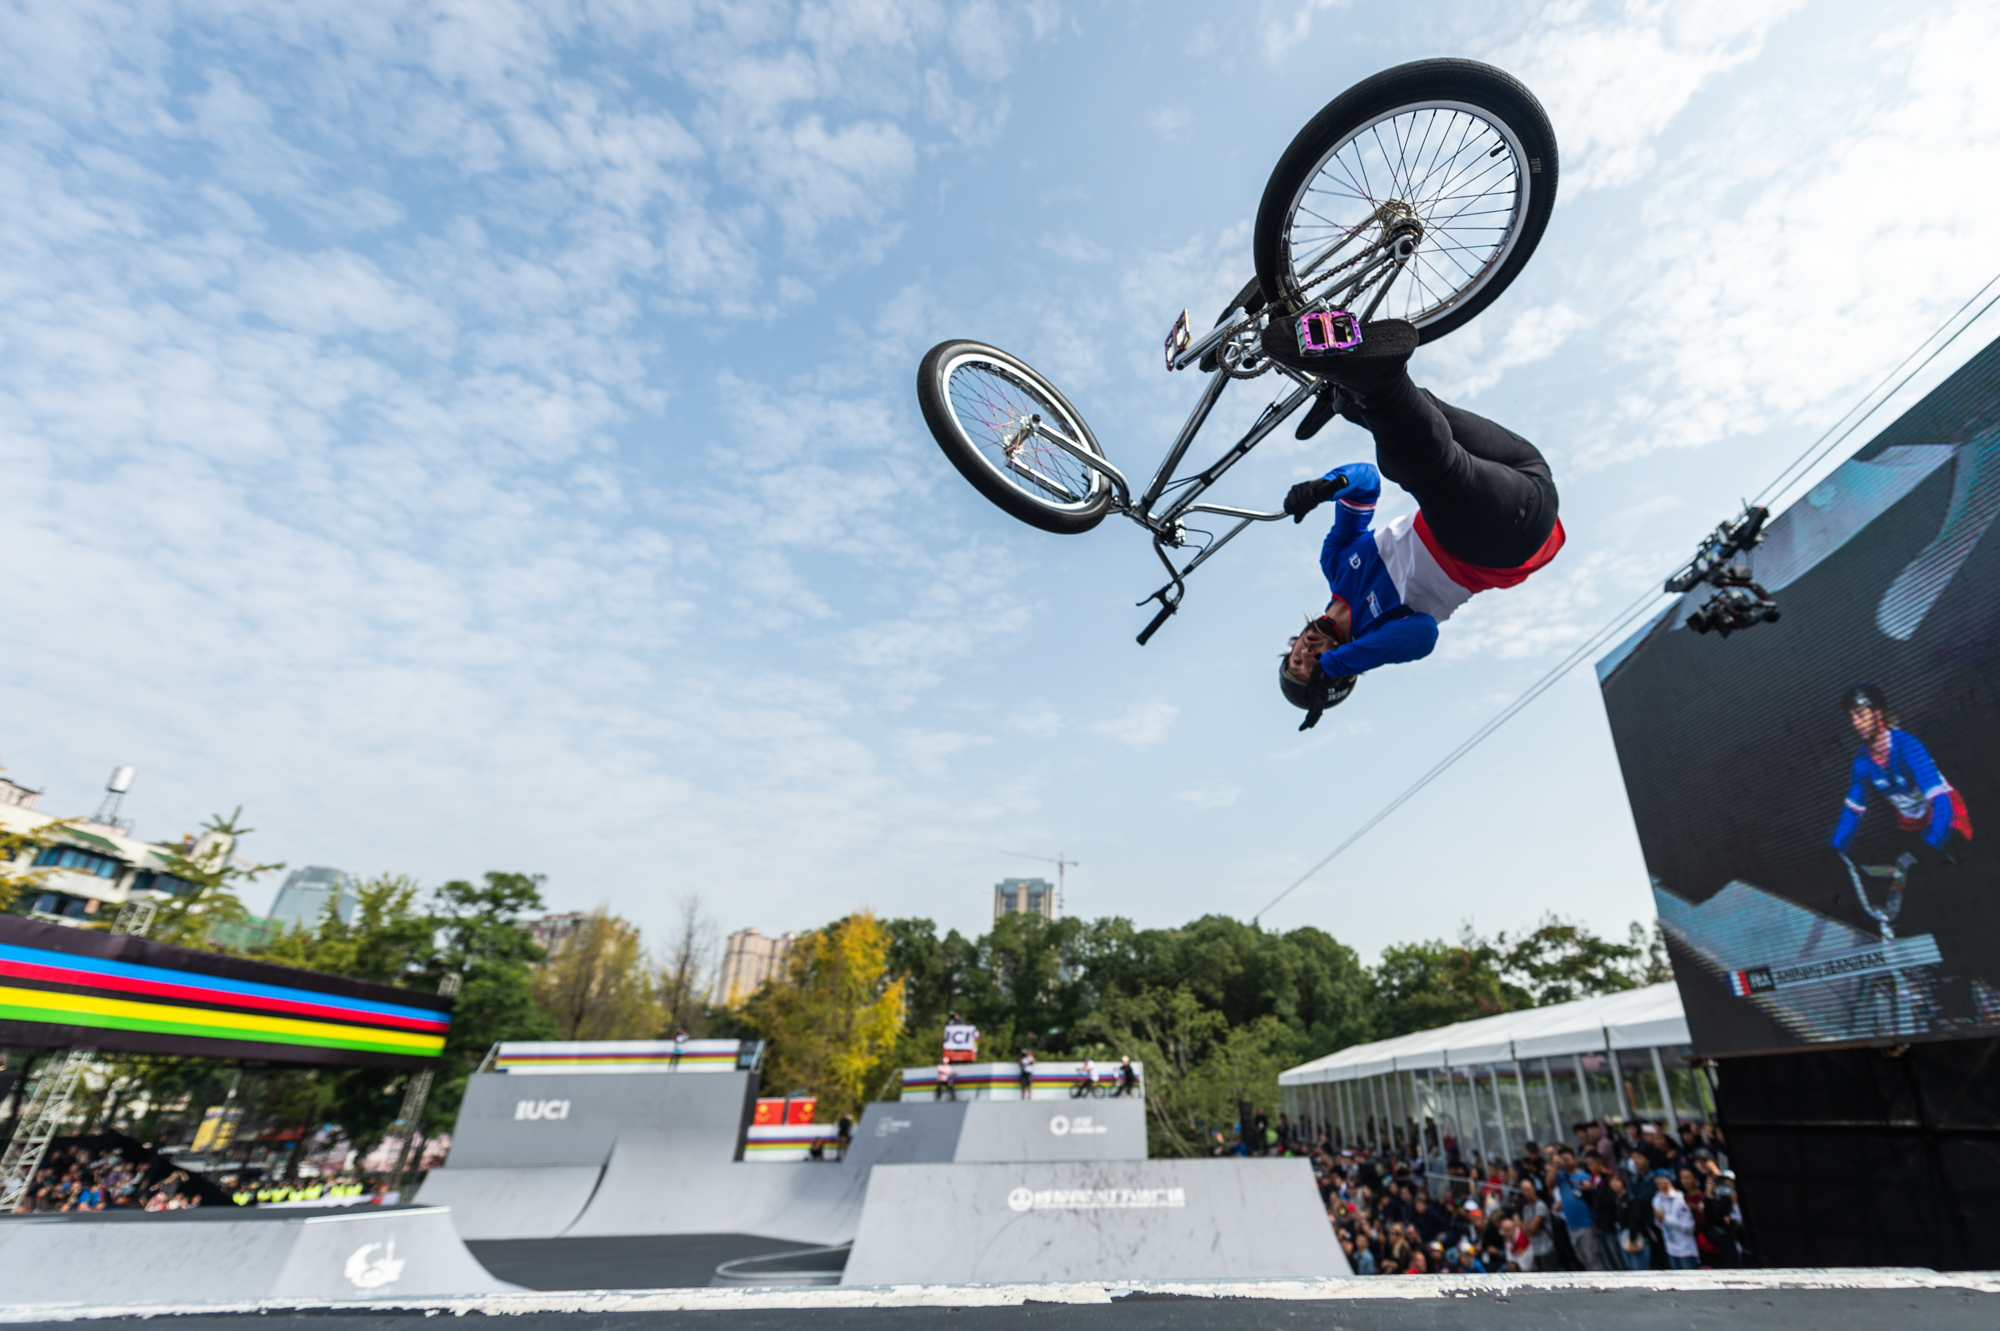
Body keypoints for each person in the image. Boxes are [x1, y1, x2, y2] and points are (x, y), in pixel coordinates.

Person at [1269, 318, 1564, 729]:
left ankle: (1348, 394)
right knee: (1421, 465)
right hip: (1504, 538)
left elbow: (1364, 485)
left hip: (1521, 471)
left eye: (1295, 659)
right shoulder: (1381, 632)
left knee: (1423, 408)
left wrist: (1326, 487)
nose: (1306, 653)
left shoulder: (1335, 564)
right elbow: (1425, 636)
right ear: (1340, 670)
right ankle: (1360, 390)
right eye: (1312, 665)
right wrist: (1340, 661)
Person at [1831, 684, 1973, 857]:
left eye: (1860, 715)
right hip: (1911, 822)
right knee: (1904, 872)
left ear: (1878, 713)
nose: (1856, 723)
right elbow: (1853, 811)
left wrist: (1932, 843)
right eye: (1852, 718)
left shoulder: (1908, 746)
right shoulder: (1862, 762)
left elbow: (1942, 803)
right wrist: (1834, 847)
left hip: (1946, 814)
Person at [1652, 1174, 1700, 1269]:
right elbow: (1660, 1225)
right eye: (1659, 1183)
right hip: (1670, 1248)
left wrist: (1665, 1218)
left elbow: (1689, 1227)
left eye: (1665, 1183)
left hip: (1685, 1250)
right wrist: (1659, 1220)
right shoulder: (1657, 1200)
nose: (1662, 1186)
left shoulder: (1679, 1200)